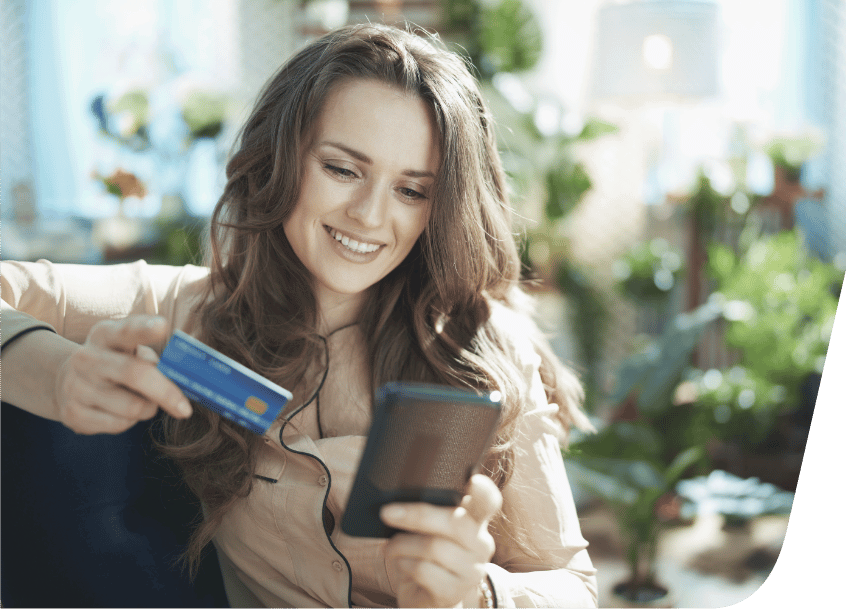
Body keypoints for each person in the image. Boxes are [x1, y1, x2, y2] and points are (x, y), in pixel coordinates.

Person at [1, 23, 598, 608]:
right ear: (279, 159)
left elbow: (574, 588)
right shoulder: (191, 311)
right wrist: (56, 376)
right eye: (342, 169)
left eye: (412, 191)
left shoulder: (481, 353)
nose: (368, 215)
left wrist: (475, 596)